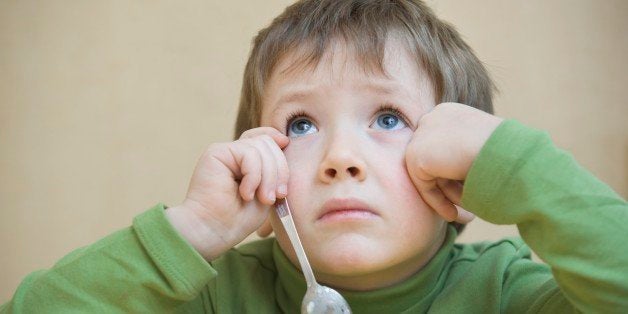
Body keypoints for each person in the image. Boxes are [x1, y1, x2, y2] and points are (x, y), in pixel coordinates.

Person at [2, 0, 627, 313]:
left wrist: (511, 165)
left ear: (460, 180)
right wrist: (193, 231)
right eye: (301, 124)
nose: (339, 157)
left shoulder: (503, 290)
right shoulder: (218, 294)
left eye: (388, 119)